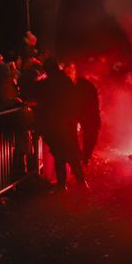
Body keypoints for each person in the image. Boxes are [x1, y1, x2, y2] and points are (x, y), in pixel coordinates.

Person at [36, 57, 85, 190]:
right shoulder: (66, 81)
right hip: (67, 122)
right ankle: (80, 182)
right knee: (70, 153)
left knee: (60, 154)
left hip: (57, 123)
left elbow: (40, 99)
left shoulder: (49, 83)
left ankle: (63, 184)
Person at [65, 63, 101, 165]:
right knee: (88, 138)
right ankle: (83, 158)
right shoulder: (82, 85)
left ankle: (83, 158)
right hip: (87, 116)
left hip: (88, 116)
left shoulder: (82, 86)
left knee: (88, 137)